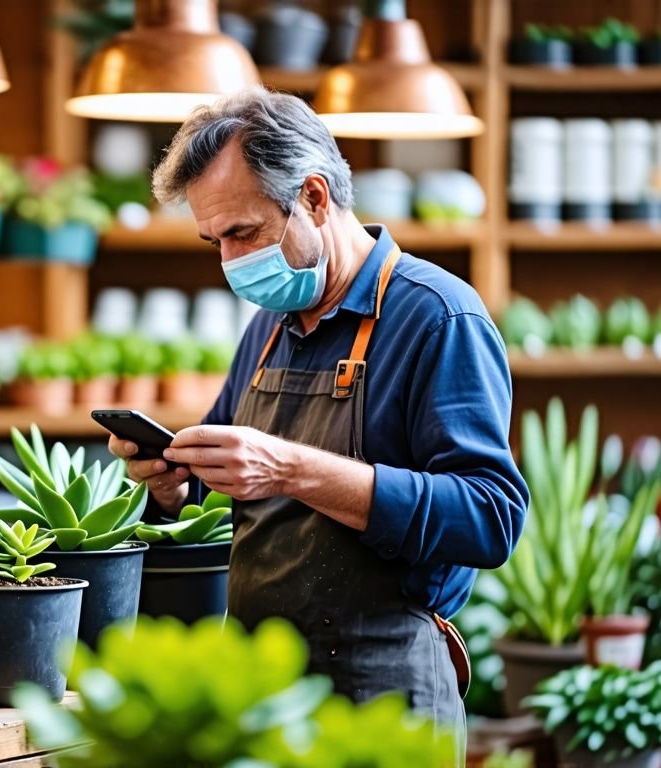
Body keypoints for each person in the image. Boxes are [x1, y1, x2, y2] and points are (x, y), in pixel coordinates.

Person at [107, 88, 529, 743]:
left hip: (383, 700)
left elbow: (489, 516)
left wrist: (293, 469)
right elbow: (220, 486)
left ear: (313, 196)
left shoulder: (438, 316)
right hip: (261, 693)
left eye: (243, 232)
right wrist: (175, 484)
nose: (229, 261)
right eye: (212, 240)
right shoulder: (270, 327)